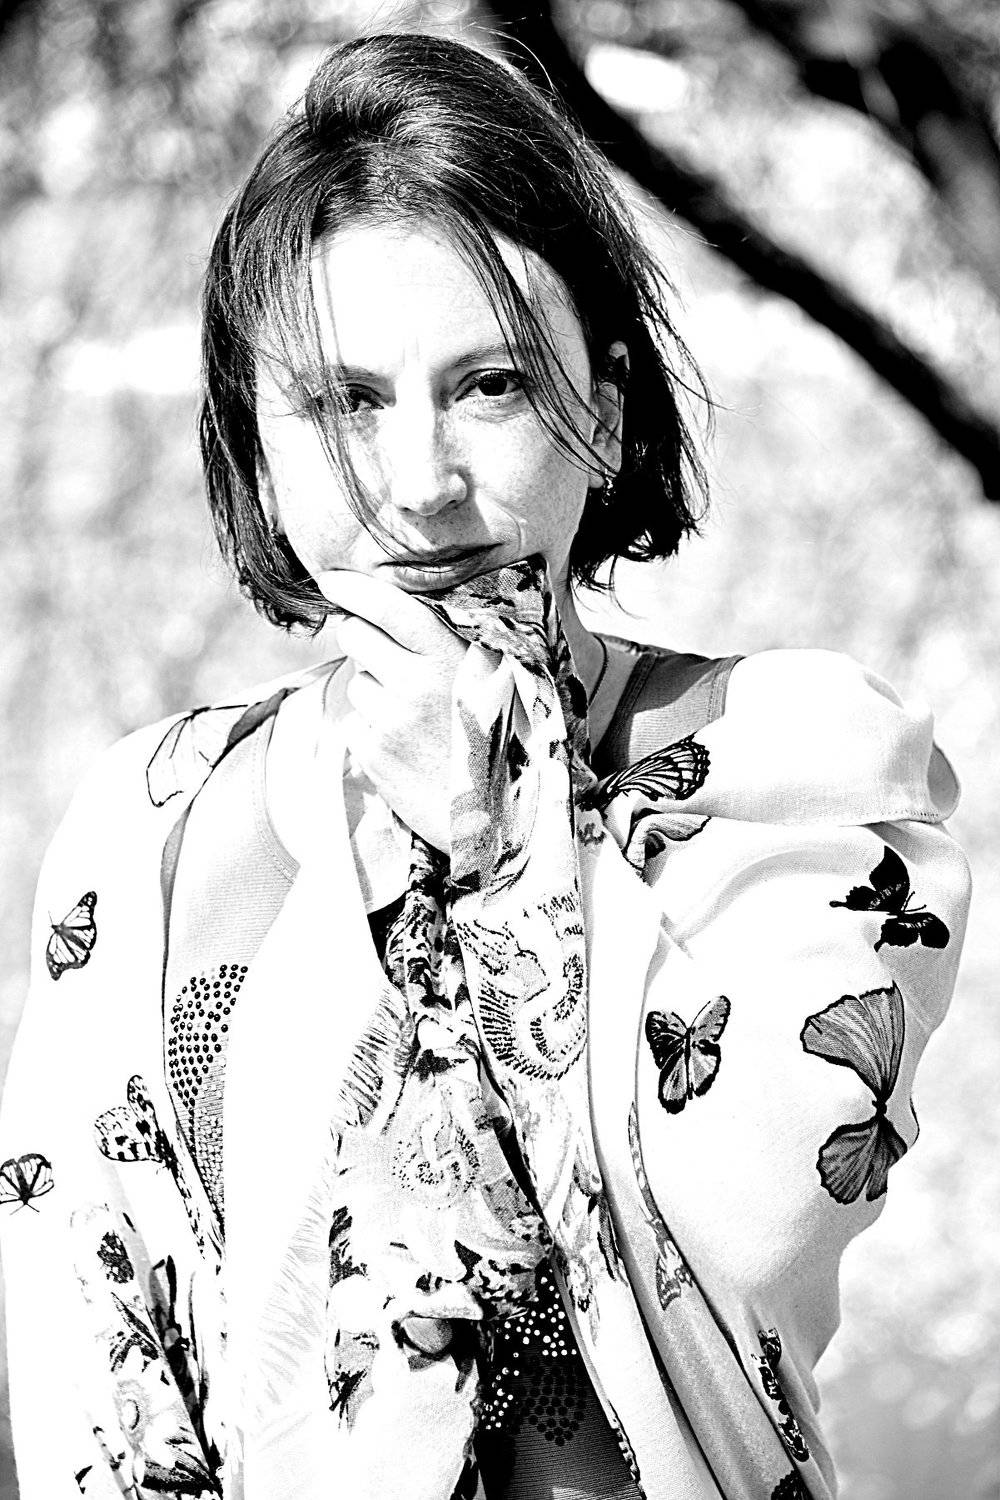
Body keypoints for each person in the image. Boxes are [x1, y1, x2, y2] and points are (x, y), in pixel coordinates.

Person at [0, 30, 970, 1500]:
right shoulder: (147, 832)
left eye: (493, 385)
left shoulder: (796, 764)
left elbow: (720, 1269)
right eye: (343, 402)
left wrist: (494, 843)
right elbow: (94, 1378)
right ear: (254, 444)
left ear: (609, 410)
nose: (421, 485)